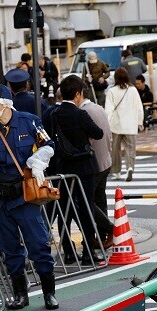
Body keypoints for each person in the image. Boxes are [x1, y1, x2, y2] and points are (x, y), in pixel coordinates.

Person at [0, 84, 58, 310]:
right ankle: (20, 293)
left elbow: (48, 144)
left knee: (38, 244)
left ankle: (49, 292)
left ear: (6, 102)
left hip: (23, 195)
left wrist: (39, 160)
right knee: (9, 248)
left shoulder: (29, 121)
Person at [49, 75, 106, 264]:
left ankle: (68, 251)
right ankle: (88, 251)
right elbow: (98, 133)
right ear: (77, 94)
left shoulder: (53, 114)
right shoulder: (80, 114)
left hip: (62, 168)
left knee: (64, 209)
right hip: (83, 167)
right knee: (86, 208)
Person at [79, 95, 114, 246]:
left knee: (87, 201)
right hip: (106, 159)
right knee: (100, 199)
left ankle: (108, 228)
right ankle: (103, 236)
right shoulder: (99, 108)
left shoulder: (83, 112)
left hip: (94, 163)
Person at [106, 68, 143, 182]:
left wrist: (107, 123)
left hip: (116, 125)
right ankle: (130, 167)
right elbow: (139, 107)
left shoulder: (112, 91)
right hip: (130, 125)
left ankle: (116, 172)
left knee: (115, 149)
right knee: (131, 148)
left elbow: (108, 109)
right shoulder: (133, 90)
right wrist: (140, 122)